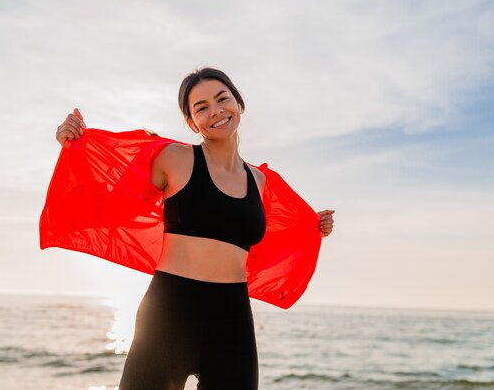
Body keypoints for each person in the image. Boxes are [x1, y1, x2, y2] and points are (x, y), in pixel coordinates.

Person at [53, 68, 335, 390]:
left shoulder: (260, 181)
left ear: (238, 104)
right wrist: (73, 146)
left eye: (222, 99)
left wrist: (313, 228)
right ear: (191, 123)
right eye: (201, 107)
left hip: (233, 323)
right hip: (168, 315)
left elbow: (275, 234)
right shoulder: (174, 159)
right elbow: (108, 208)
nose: (215, 110)